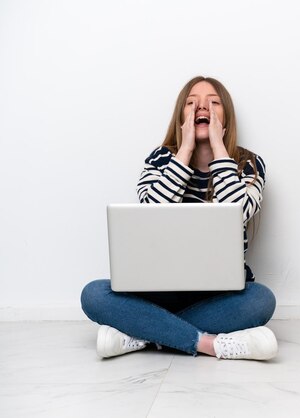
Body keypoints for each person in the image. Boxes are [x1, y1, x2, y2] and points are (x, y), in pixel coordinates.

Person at [80, 76, 277, 360]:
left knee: (261, 301)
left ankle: (142, 333)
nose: (202, 108)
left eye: (213, 102)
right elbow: (151, 212)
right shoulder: (159, 160)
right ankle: (208, 343)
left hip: (218, 295)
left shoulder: (249, 164)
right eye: (191, 103)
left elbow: (239, 212)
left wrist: (219, 149)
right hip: (157, 292)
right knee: (93, 294)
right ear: (181, 116)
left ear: (226, 117)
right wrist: (183, 151)